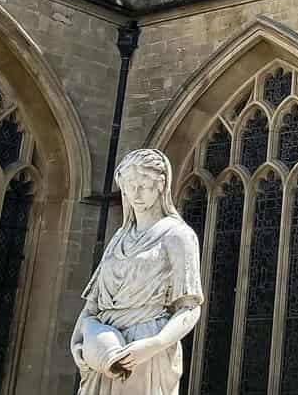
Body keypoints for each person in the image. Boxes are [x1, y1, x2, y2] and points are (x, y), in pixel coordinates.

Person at [70, 148, 202, 393]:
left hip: (146, 349)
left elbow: (189, 307)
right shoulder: (119, 238)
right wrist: (77, 341)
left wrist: (155, 344)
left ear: (161, 186)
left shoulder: (178, 236)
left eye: (145, 185)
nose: (136, 193)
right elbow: (93, 305)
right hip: (103, 349)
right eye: (130, 186)